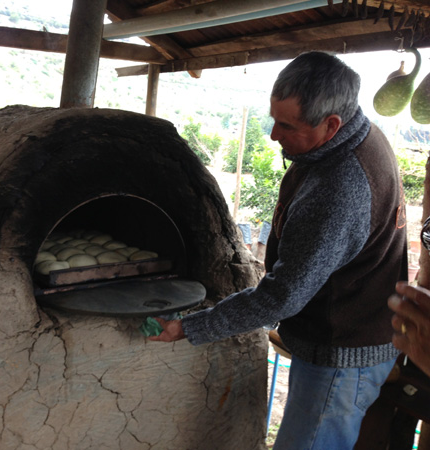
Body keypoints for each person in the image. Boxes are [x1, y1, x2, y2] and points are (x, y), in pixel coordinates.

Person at [150, 51, 408, 450]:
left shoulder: (339, 190)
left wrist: (190, 326)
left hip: (343, 354)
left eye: (286, 125)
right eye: (274, 118)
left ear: (331, 124)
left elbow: (281, 297)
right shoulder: (349, 136)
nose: (273, 135)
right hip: (353, 334)